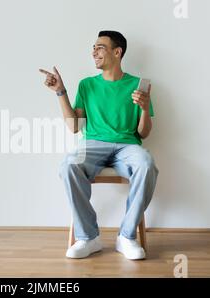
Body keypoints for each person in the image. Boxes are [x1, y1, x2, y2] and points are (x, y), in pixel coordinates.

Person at [39, 31, 159, 260]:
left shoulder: (137, 85)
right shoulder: (87, 85)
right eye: (93, 47)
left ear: (117, 52)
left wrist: (144, 108)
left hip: (127, 146)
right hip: (93, 144)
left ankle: (126, 236)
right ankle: (88, 237)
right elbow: (75, 127)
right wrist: (60, 92)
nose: (94, 51)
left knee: (147, 163)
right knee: (69, 165)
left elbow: (143, 133)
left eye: (100, 47)